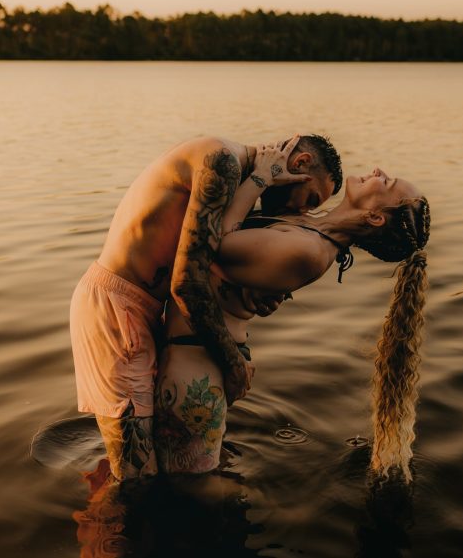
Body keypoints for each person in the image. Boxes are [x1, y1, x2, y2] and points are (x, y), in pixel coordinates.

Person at [69, 134, 344, 481]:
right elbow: (186, 284)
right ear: (301, 163)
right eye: (310, 198)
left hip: (147, 311)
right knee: (135, 477)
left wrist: (256, 296)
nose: (302, 211)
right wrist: (233, 364)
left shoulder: (238, 179)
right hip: (117, 311)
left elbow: (211, 257)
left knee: (156, 468)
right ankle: (97, 534)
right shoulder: (221, 161)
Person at [154, 149, 430, 482]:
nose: (377, 169)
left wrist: (260, 178)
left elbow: (210, 250)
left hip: (196, 365)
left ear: (375, 217)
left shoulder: (308, 251)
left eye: (386, 181)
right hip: (195, 352)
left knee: (185, 493)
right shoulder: (310, 226)